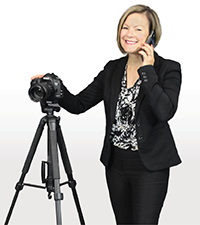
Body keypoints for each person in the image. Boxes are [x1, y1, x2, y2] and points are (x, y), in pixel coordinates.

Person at [32, 4, 182, 225]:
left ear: (151, 35)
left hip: (150, 166)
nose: (129, 34)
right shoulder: (112, 69)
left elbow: (165, 111)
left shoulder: (168, 69)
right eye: (125, 27)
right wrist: (55, 86)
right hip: (116, 165)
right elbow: (78, 104)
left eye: (138, 29)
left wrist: (147, 69)